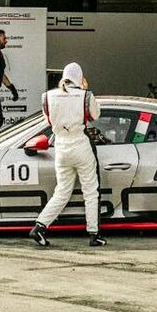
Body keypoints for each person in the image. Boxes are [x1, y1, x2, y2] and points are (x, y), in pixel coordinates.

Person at [31, 62, 103, 249]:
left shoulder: (48, 97)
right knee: (90, 191)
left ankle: (40, 226)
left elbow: (48, 121)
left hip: (61, 148)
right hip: (80, 145)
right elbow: (95, 115)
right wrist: (86, 90)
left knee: (62, 191)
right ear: (79, 78)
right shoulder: (86, 96)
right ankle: (94, 234)